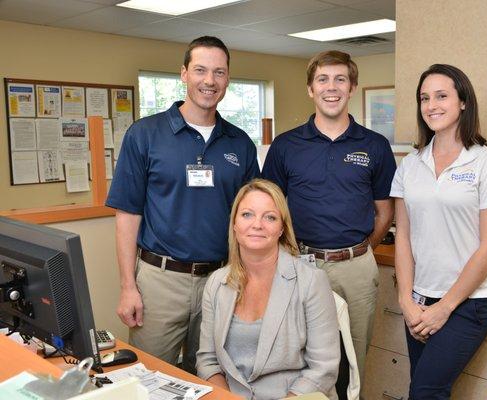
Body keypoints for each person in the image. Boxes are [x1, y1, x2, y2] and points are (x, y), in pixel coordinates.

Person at [106, 36, 260, 373]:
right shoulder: (145, 135)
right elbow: (127, 215)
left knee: (212, 376)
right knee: (148, 377)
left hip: (222, 279)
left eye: (219, 72)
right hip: (160, 282)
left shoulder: (241, 143)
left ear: (227, 79)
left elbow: (253, 220)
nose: (210, 81)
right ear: (184, 74)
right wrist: (127, 287)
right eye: (201, 70)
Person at [262, 50, 396, 381]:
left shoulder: (375, 145)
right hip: (300, 265)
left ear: (352, 88)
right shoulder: (285, 146)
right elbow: (269, 210)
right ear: (311, 88)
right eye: (322, 79)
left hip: (357, 268)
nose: (331, 87)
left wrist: (362, 250)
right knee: (297, 356)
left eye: (340, 79)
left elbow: (385, 210)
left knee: (354, 359)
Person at [390, 64, 487, 399]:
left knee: (426, 391)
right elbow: (403, 235)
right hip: (418, 299)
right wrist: (406, 299)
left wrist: (444, 307)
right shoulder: (410, 164)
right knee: (423, 387)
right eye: (424, 98)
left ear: (463, 101)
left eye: (441, 96)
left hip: (467, 303)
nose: (431, 105)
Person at [196, 179, 340, 399]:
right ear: (234, 224)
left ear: (282, 228)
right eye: (247, 215)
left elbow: (323, 369)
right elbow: (208, 361)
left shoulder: (311, 282)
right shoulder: (216, 283)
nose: (257, 224)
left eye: (270, 217)